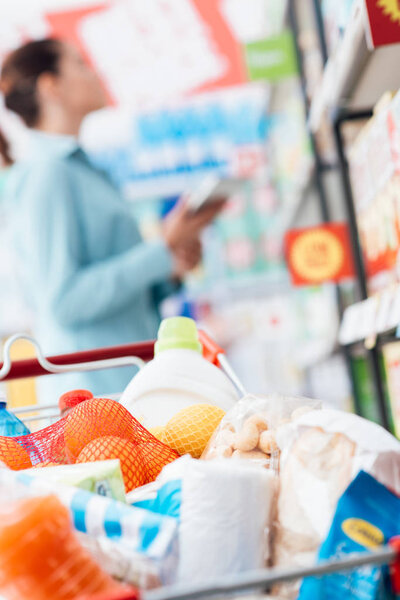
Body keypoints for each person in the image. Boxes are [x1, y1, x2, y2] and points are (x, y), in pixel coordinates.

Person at [0, 39, 223, 401]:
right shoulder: (47, 174)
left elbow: (117, 292)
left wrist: (171, 267)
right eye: (80, 63)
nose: (94, 72)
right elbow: (63, 301)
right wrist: (161, 252)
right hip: (96, 398)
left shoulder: (85, 170)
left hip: (127, 382)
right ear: (50, 86)